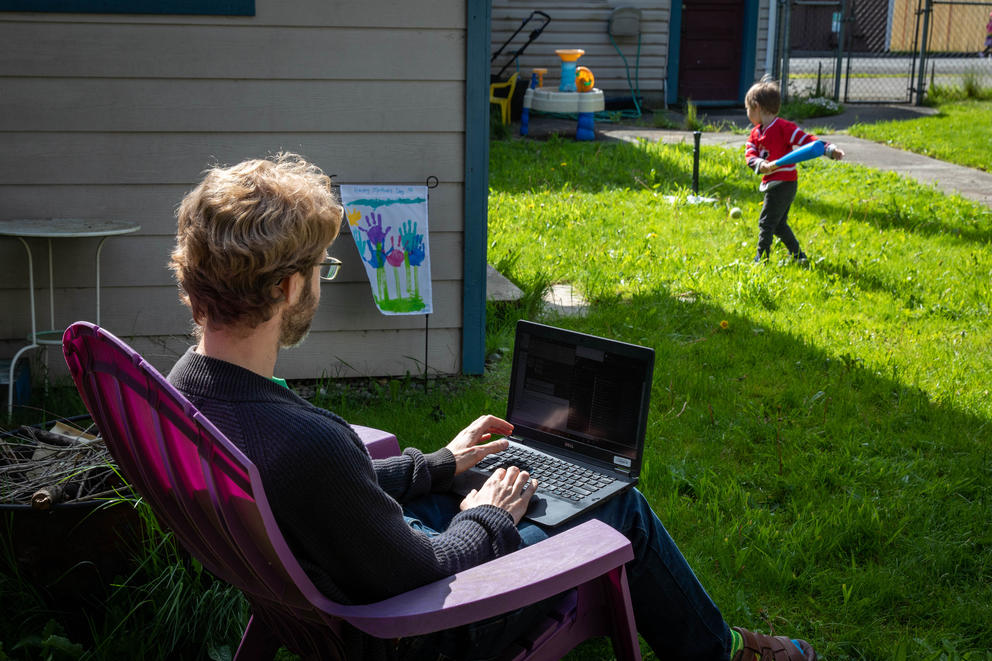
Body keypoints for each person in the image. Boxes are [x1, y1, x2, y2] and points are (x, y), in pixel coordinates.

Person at [167, 152, 818, 661]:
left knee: (495, 483)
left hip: (330, 589)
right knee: (617, 504)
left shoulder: (191, 389)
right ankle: (717, 650)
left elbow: (336, 488)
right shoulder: (306, 443)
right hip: (418, 628)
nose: (319, 280)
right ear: (286, 286)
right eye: (319, 269)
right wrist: (486, 514)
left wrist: (443, 464)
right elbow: (427, 569)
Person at [744, 76, 844, 264]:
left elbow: (809, 142)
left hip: (784, 183)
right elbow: (749, 153)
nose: (747, 113)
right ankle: (799, 256)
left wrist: (829, 150)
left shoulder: (783, 128)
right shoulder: (756, 133)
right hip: (772, 182)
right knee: (779, 225)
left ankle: (761, 260)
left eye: (748, 109)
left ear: (757, 107)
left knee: (766, 223)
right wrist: (760, 164)